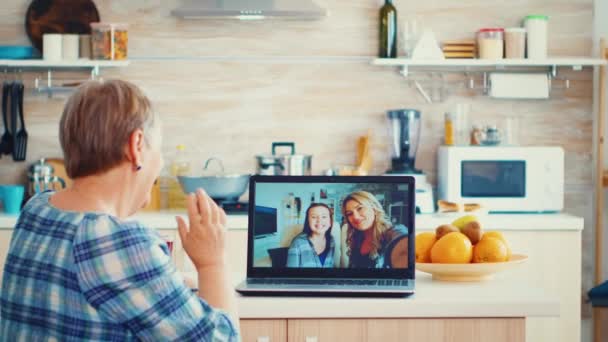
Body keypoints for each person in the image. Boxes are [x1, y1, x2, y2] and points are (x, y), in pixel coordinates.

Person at [0, 80, 239, 341]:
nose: (159, 162)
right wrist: (212, 263)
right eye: (157, 149)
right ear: (137, 146)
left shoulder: (36, 210)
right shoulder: (116, 240)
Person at [341, 191, 408, 269]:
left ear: (374, 208)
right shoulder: (356, 237)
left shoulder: (390, 233)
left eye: (360, 208)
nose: (355, 217)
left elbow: (401, 237)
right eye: (349, 213)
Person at [287, 203, 335, 268]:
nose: (319, 220)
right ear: (308, 221)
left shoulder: (331, 240)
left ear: (330, 222)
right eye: (314, 217)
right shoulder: (297, 242)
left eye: (324, 217)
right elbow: (290, 275)